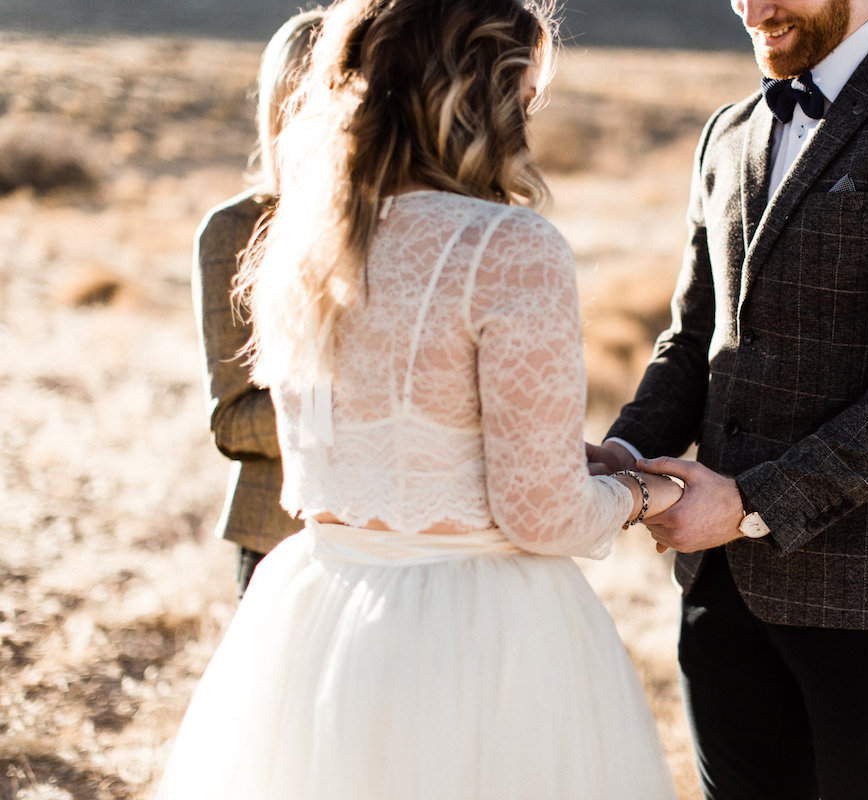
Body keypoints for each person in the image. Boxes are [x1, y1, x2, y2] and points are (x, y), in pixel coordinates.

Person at [157, 1, 680, 797]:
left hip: (319, 613)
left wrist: (553, 456)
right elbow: (540, 515)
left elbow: (383, 446)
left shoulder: (298, 240)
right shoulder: (509, 246)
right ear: (483, 94)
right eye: (526, 94)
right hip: (478, 631)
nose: (529, 119)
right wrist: (645, 491)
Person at [588, 1, 868, 797]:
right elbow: (695, 341)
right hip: (716, 594)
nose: (753, 9)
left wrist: (753, 502)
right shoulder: (727, 130)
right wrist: (620, 452)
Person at [192, 8, 323, 598]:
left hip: (403, 538)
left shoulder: (406, 223)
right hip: (278, 540)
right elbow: (232, 422)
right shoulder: (233, 231)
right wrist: (356, 408)